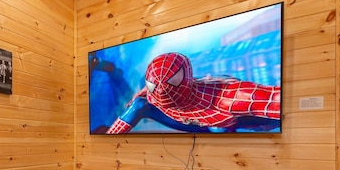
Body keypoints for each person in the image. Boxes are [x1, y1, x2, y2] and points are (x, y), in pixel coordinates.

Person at [106, 52, 281, 133]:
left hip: (223, 121)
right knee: (139, 105)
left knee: (218, 131)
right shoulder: (156, 93)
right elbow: (164, 83)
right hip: (199, 119)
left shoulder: (230, 97)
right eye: (154, 87)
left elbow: (276, 100)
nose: (159, 92)